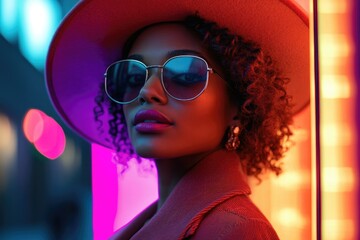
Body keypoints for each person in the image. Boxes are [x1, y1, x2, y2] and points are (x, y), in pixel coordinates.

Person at [45, 0, 309, 239]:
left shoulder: (238, 231)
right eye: (133, 76)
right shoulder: (155, 223)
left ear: (239, 105)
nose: (147, 91)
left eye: (185, 75)